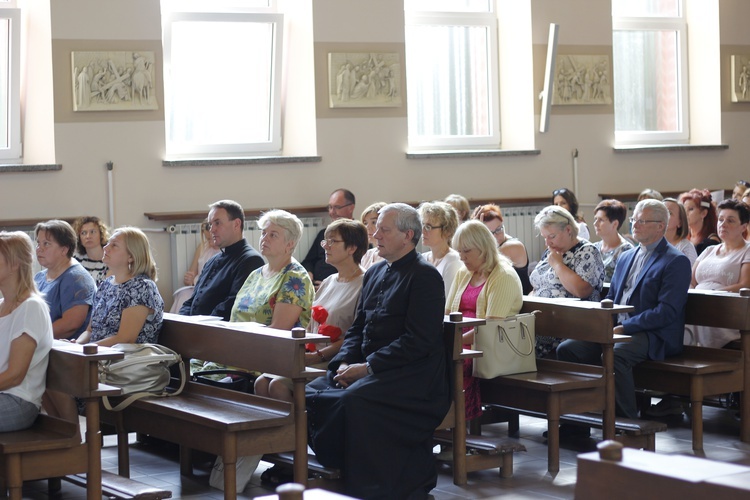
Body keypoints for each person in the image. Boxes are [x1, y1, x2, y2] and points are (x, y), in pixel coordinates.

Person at [306, 203, 449, 499]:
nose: (375, 235)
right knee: (311, 391)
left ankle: (373, 485)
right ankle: (338, 469)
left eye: (384, 229)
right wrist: (345, 361)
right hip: (373, 368)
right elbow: (358, 328)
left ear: (408, 235)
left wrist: (367, 367)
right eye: (375, 228)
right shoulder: (374, 274)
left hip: (412, 375)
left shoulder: (424, 276)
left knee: (353, 401)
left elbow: (417, 341)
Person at [207, 209, 315, 491]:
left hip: (269, 357)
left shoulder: (295, 278)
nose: (264, 239)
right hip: (240, 352)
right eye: (264, 233)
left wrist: (239, 350)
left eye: (273, 234)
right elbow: (235, 317)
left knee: (254, 383)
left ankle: (276, 452)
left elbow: (279, 330)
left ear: (290, 244)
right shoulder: (256, 274)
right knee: (189, 374)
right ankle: (213, 451)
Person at [255, 219, 368, 484]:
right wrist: (298, 350)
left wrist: (319, 355)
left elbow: (354, 333)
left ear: (352, 248)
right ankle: (280, 457)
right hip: (309, 356)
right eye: (324, 241)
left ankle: (300, 459)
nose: (325, 247)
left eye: (332, 241)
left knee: (280, 387)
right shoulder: (328, 281)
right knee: (262, 382)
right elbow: (310, 325)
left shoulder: (363, 284)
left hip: (333, 360)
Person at [557, 199, 691, 421]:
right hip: (618, 328)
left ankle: (626, 422)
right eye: (633, 220)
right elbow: (611, 298)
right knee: (569, 349)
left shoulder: (675, 261)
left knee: (616, 355)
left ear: (661, 226)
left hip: (653, 334)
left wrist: (625, 327)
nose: (635, 225)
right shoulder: (626, 256)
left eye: (642, 221)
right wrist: (599, 323)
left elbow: (666, 311)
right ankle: (579, 419)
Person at [43, 227, 165, 425]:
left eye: (114, 245)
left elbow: (125, 339)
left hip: (122, 363)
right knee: (44, 366)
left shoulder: (142, 287)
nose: (106, 247)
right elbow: (90, 330)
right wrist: (76, 344)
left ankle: (73, 438)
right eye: (108, 243)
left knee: (55, 373)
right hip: (97, 356)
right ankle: (65, 435)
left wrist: (85, 351)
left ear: (131, 257)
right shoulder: (107, 284)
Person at [445, 221, 523, 421]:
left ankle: (459, 426)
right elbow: (447, 311)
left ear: (483, 248)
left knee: (453, 360)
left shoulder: (503, 276)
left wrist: (454, 342)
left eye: (466, 251)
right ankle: (440, 426)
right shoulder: (464, 272)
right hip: (461, 338)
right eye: (459, 251)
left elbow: (490, 327)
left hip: (491, 345)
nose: (461, 257)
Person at [529, 205, 604, 358]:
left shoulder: (586, 251)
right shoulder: (551, 252)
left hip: (570, 327)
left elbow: (581, 290)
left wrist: (558, 265)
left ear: (568, 230)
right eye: (544, 237)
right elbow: (537, 285)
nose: (547, 243)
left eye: (552, 236)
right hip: (542, 324)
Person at [0, 232, 53, 432]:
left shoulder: (31, 307)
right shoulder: (2, 306)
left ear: (15, 264)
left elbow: (15, 375)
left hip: (17, 400)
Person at [179, 200, 263, 321]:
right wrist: (182, 321)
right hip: (197, 329)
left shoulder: (251, 260)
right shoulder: (212, 261)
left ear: (236, 224)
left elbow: (232, 305)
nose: (212, 230)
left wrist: (197, 326)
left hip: (218, 334)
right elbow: (193, 300)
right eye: (210, 224)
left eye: (217, 223)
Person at [685, 198, 750, 348]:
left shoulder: (747, 250)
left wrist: (712, 295)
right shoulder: (709, 250)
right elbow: (692, 281)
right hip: (698, 306)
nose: (723, 224)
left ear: (743, 226)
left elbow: (745, 284)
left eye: (731, 221)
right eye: (720, 219)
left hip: (726, 311)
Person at [34, 220, 96, 340]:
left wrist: (32, 337)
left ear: (64, 249)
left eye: (46, 244)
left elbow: (70, 325)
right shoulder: (39, 277)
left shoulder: (76, 279)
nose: (39, 249)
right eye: (38, 243)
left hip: (67, 351)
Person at [472, 204, 533, 294]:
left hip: (518, 301)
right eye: (489, 233)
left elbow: (482, 265)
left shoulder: (514, 246)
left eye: (499, 229)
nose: (496, 236)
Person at [302, 189, 356, 289]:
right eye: (330, 207)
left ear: (351, 208)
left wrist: (329, 285)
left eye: (337, 207)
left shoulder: (357, 234)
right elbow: (308, 261)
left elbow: (355, 271)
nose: (332, 212)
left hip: (338, 288)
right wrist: (308, 274)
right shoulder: (323, 233)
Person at [169, 220, 220, 313]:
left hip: (212, 289)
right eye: (208, 239)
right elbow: (192, 272)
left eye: (212, 239)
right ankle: (178, 325)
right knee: (183, 295)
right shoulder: (203, 248)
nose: (210, 243)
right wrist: (189, 279)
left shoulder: (223, 251)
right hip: (198, 287)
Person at [418, 201, 462, 297]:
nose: (423, 231)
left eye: (428, 227)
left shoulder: (453, 261)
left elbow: (447, 302)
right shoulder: (422, 257)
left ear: (447, 231)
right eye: (423, 225)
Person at [592, 199, 633, 281]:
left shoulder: (626, 250)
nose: (595, 224)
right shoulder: (594, 247)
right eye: (595, 219)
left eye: (601, 220)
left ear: (615, 224)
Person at [679, 188, 720, 255]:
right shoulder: (682, 236)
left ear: (703, 213)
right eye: (684, 209)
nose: (685, 213)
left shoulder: (711, 241)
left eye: (691, 209)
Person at [73, 216, 110, 286]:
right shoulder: (75, 260)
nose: (88, 236)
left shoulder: (110, 259)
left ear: (101, 234)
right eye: (83, 233)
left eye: (92, 232)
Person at [663, 198, 698, 266]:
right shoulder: (652, 243)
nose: (663, 216)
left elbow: (689, 275)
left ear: (680, 222)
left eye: (670, 213)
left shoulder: (686, 248)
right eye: (661, 212)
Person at [359, 201, 387, 270]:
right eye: (365, 223)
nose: (367, 227)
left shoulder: (392, 255)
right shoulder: (366, 255)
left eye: (374, 222)